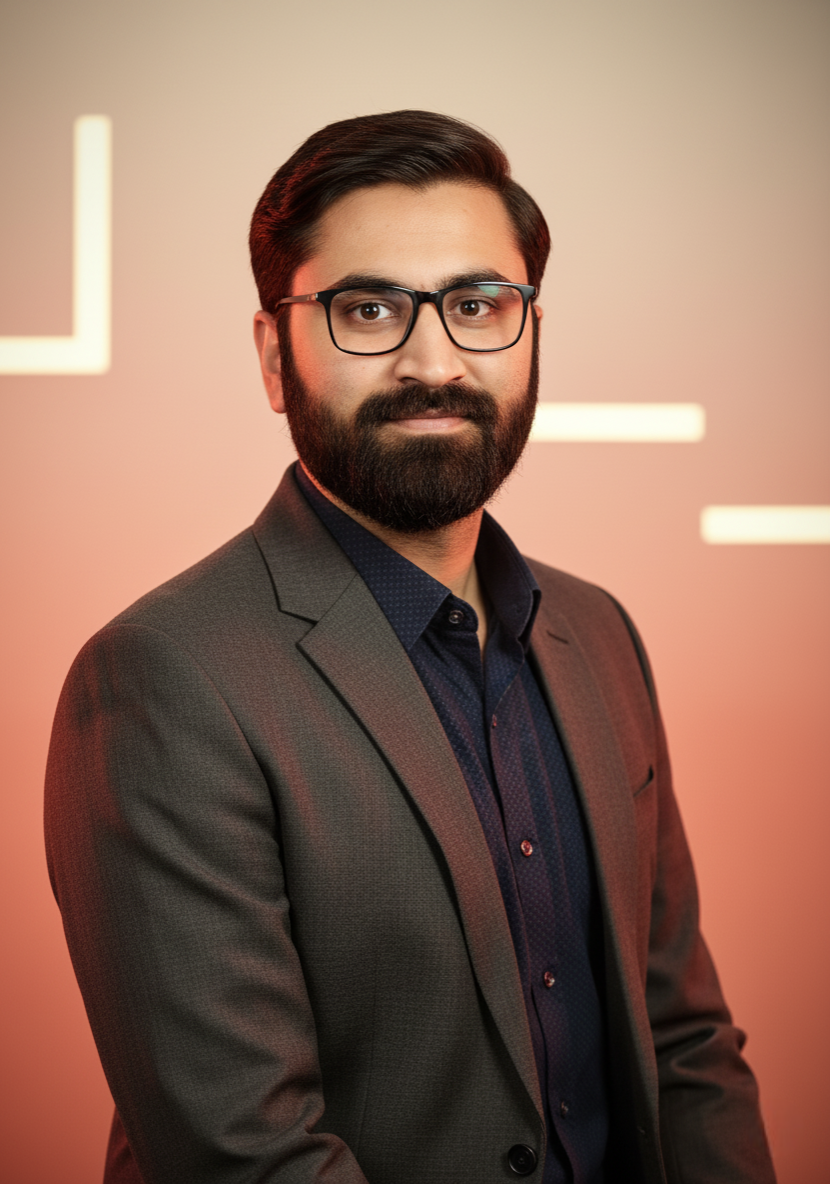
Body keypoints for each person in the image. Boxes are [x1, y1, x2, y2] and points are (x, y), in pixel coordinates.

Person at [45, 111, 776, 1184]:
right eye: (369, 308)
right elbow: (245, 1151)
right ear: (271, 353)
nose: (432, 359)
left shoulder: (597, 633)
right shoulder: (164, 678)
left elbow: (684, 1047)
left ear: (528, 331)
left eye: (479, 304)